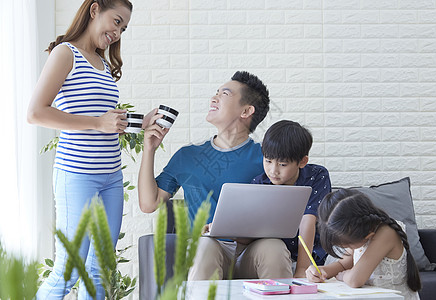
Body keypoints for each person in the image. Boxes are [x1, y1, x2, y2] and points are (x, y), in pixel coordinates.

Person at [138, 71, 290, 280]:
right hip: (206, 250)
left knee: (274, 247)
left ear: (246, 111)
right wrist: (149, 150)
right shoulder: (188, 156)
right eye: (216, 93)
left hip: (251, 252)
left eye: (224, 94)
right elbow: (149, 203)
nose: (214, 98)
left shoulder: (266, 159)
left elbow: (281, 211)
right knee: (204, 246)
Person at [27, 0, 132, 299]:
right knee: (69, 270)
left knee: (100, 271)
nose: (118, 32)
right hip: (77, 175)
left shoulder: (101, 63)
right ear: (95, 9)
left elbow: (100, 117)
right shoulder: (65, 53)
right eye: (116, 21)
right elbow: (35, 113)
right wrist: (99, 124)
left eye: (123, 28)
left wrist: (132, 121)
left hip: (111, 176)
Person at [306, 189, 421, 299]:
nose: (347, 248)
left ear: (367, 235)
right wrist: (322, 271)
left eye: (348, 245)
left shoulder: (386, 233)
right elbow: (343, 264)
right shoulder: (360, 232)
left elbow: (355, 280)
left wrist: (343, 276)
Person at [251, 120, 331, 278]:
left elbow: (308, 221)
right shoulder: (259, 184)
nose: (273, 171)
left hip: (312, 253)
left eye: (282, 164)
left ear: (302, 162)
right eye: (268, 161)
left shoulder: (317, 176)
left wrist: (302, 268)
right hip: (275, 254)